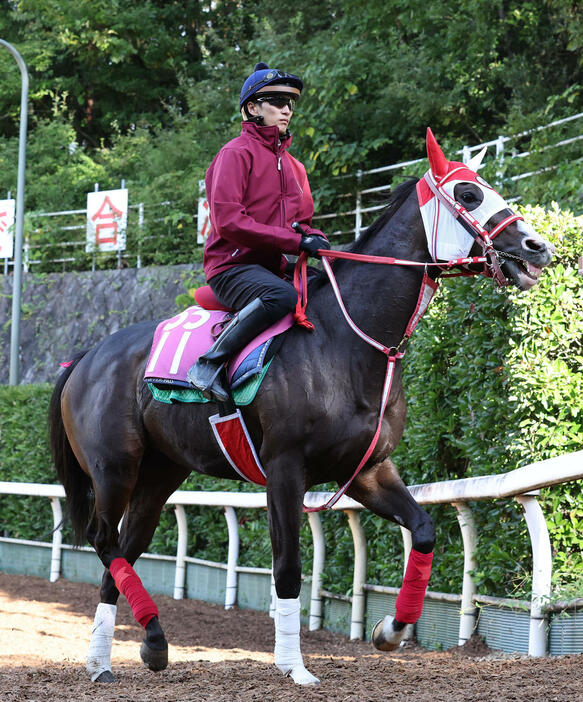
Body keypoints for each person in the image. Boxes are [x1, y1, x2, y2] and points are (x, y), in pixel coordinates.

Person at [187, 62, 330, 402]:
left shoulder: (296, 167)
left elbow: (302, 223)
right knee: (281, 298)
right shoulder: (234, 154)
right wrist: (296, 241)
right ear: (253, 108)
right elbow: (230, 223)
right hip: (231, 267)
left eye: (290, 103)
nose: (286, 110)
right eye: (277, 101)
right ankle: (208, 363)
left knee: (331, 290)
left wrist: (315, 239)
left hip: (272, 269)